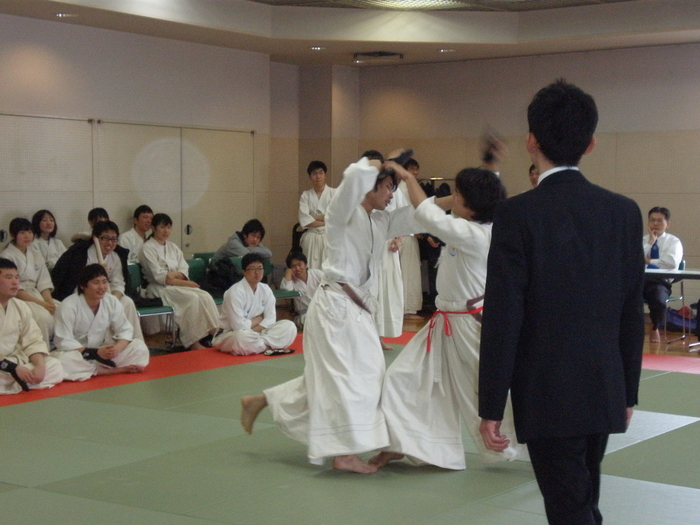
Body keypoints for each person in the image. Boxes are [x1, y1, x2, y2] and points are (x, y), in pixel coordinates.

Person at [478, 80, 645, 525]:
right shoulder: (623, 212)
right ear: (590, 144)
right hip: (603, 383)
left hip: (545, 389)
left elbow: (503, 317)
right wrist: (627, 389)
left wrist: (491, 405)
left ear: (531, 141)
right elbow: (632, 311)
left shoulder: (516, 215)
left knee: (570, 507)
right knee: (583, 498)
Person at [240, 151, 422, 474]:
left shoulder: (381, 220)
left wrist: (458, 202)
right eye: (388, 187)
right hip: (334, 308)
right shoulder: (342, 211)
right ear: (372, 184)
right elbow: (355, 176)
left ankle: (263, 400)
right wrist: (381, 164)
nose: (392, 195)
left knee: (341, 379)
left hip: (357, 312)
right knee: (343, 380)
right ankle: (344, 453)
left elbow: (423, 215)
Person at [371, 165, 523, 470]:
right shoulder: (465, 224)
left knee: (488, 393)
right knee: (403, 377)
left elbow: (429, 216)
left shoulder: (476, 234)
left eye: (458, 194)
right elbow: (435, 214)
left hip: (471, 326)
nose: (453, 198)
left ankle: (536, 441)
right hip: (444, 322)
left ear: (472, 206)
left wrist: (409, 178)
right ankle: (400, 443)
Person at [51, 220, 144, 340]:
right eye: (105, 238)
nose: (109, 243)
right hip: (83, 298)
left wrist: (112, 300)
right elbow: (75, 284)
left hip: (107, 296)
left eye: (114, 239)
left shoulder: (115, 257)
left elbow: (118, 283)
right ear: (95, 238)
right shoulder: (80, 255)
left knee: (127, 302)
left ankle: (132, 340)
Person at [54, 264, 149, 380]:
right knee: (61, 361)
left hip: (103, 352)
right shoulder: (68, 305)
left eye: (104, 282)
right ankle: (110, 370)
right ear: (83, 286)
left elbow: (125, 330)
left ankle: (97, 369)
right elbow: (64, 341)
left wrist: (116, 349)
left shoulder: (111, 301)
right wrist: (96, 353)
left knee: (139, 347)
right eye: (96, 282)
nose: (102, 287)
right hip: (79, 353)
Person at [139, 213, 219, 350]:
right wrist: (183, 281)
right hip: (159, 288)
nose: (166, 231)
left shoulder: (173, 247)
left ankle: (214, 333)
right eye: (162, 227)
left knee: (205, 296)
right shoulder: (147, 248)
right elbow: (159, 276)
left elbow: (184, 269)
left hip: (177, 285)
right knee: (192, 298)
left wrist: (175, 275)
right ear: (153, 228)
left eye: (168, 227)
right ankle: (193, 341)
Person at [0, 258, 63, 394]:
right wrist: (13, 368)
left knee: (55, 365)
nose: (15, 282)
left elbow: (33, 340)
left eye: (17, 277)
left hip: (15, 362)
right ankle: (22, 382)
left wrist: (40, 365)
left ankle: (18, 382)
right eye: (8, 277)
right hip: (4, 365)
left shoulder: (20, 306)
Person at [213, 253, 297, 355]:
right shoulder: (234, 292)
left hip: (258, 332)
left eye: (260, 268)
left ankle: (258, 346)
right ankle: (269, 345)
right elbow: (238, 326)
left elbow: (271, 319)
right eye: (252, 269)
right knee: (241, 337)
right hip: (231, 334)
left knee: (289, 326)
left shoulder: (265, 289)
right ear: (244, 271)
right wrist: (259, 318)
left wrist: (255, 331)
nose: (257, 273)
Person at [0, 218, 58, 345]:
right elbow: (15, 287)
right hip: (19, 296)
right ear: (13, 235)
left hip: (37, 292)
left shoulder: (35, 253)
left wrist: (49, 301)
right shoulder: (7, 255)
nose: (27, 236)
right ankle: (43, 348)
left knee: (61, 310)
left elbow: (44, 281)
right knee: (42, 317)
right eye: (22, 233)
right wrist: (42, 304)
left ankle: (60, 345)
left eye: (30, 232)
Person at [642, 206, 683, 343]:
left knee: (658, 300)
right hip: (640, 279)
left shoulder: (673, 241)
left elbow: (671, 262)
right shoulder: (643, 240)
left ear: (667, 224)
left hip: (660, 281)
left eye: (659, 221)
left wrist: (649, 261)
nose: (655, 224)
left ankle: (655, 327)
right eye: (652, 220)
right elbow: (634, 260)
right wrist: (650, 243)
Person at [298, 160, 336, 269]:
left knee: (328, 271)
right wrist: (326, 220)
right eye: (314, 174)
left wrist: (312, 217)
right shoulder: (305, 195)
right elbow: (304, 221)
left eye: (320, 173)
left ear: (325, 175)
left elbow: (336, 218)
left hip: (329, 237)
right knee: (310, 269)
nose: (318, 176)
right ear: (310, 177)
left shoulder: (334, 193)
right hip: (311, 238)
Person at [398, 158, 423, 320]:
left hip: (408, 234)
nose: (415, 172)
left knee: (407, 272)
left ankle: (407, 308)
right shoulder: (403, 189)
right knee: (408, 272)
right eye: (411, 169)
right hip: (404, 234)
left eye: (416, 169)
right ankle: (407, 309)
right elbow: (409, 213)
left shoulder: (408, 187)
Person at [279, 251, 323, 330]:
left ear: (306, 265)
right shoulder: (291, 280)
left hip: (321, 310)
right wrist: (288, 273)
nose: (297, 268)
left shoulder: (316, 274)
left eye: (299, 265)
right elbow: (286, 293)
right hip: (303, 315)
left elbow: (331, 285)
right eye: (293, 266)